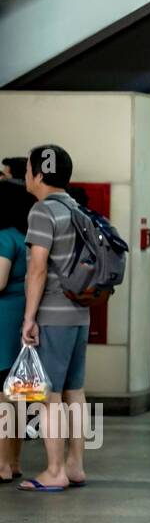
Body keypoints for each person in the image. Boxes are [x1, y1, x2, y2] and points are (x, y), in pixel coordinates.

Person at [17, 145, 92, 492]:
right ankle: (76, 465)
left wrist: (29, 318)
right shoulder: (78, 209)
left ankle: (54, 470)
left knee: (49, 395)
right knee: (74, 392)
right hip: (80, 314)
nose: (25, 175)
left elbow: (37, 267)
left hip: (53, 314)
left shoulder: (42, 211)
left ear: (40, 174)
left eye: (29, 168)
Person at [0, 181, 36, 482]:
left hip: (2, 320)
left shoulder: (2, 238)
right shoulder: (24, 237)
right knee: (17, 396)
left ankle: (0, 464)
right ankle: (13, 462)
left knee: (2, 397)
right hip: (21, 318)